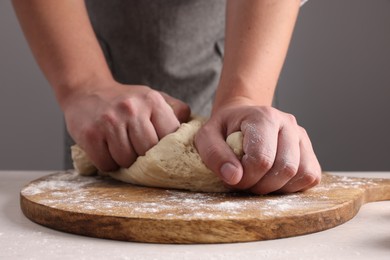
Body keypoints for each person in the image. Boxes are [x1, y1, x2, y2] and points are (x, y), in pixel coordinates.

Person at [12, 0, 321, 194]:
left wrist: (243, 95)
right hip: (92, 63)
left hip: (239, 44)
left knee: (251, 151)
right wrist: (84, 85)